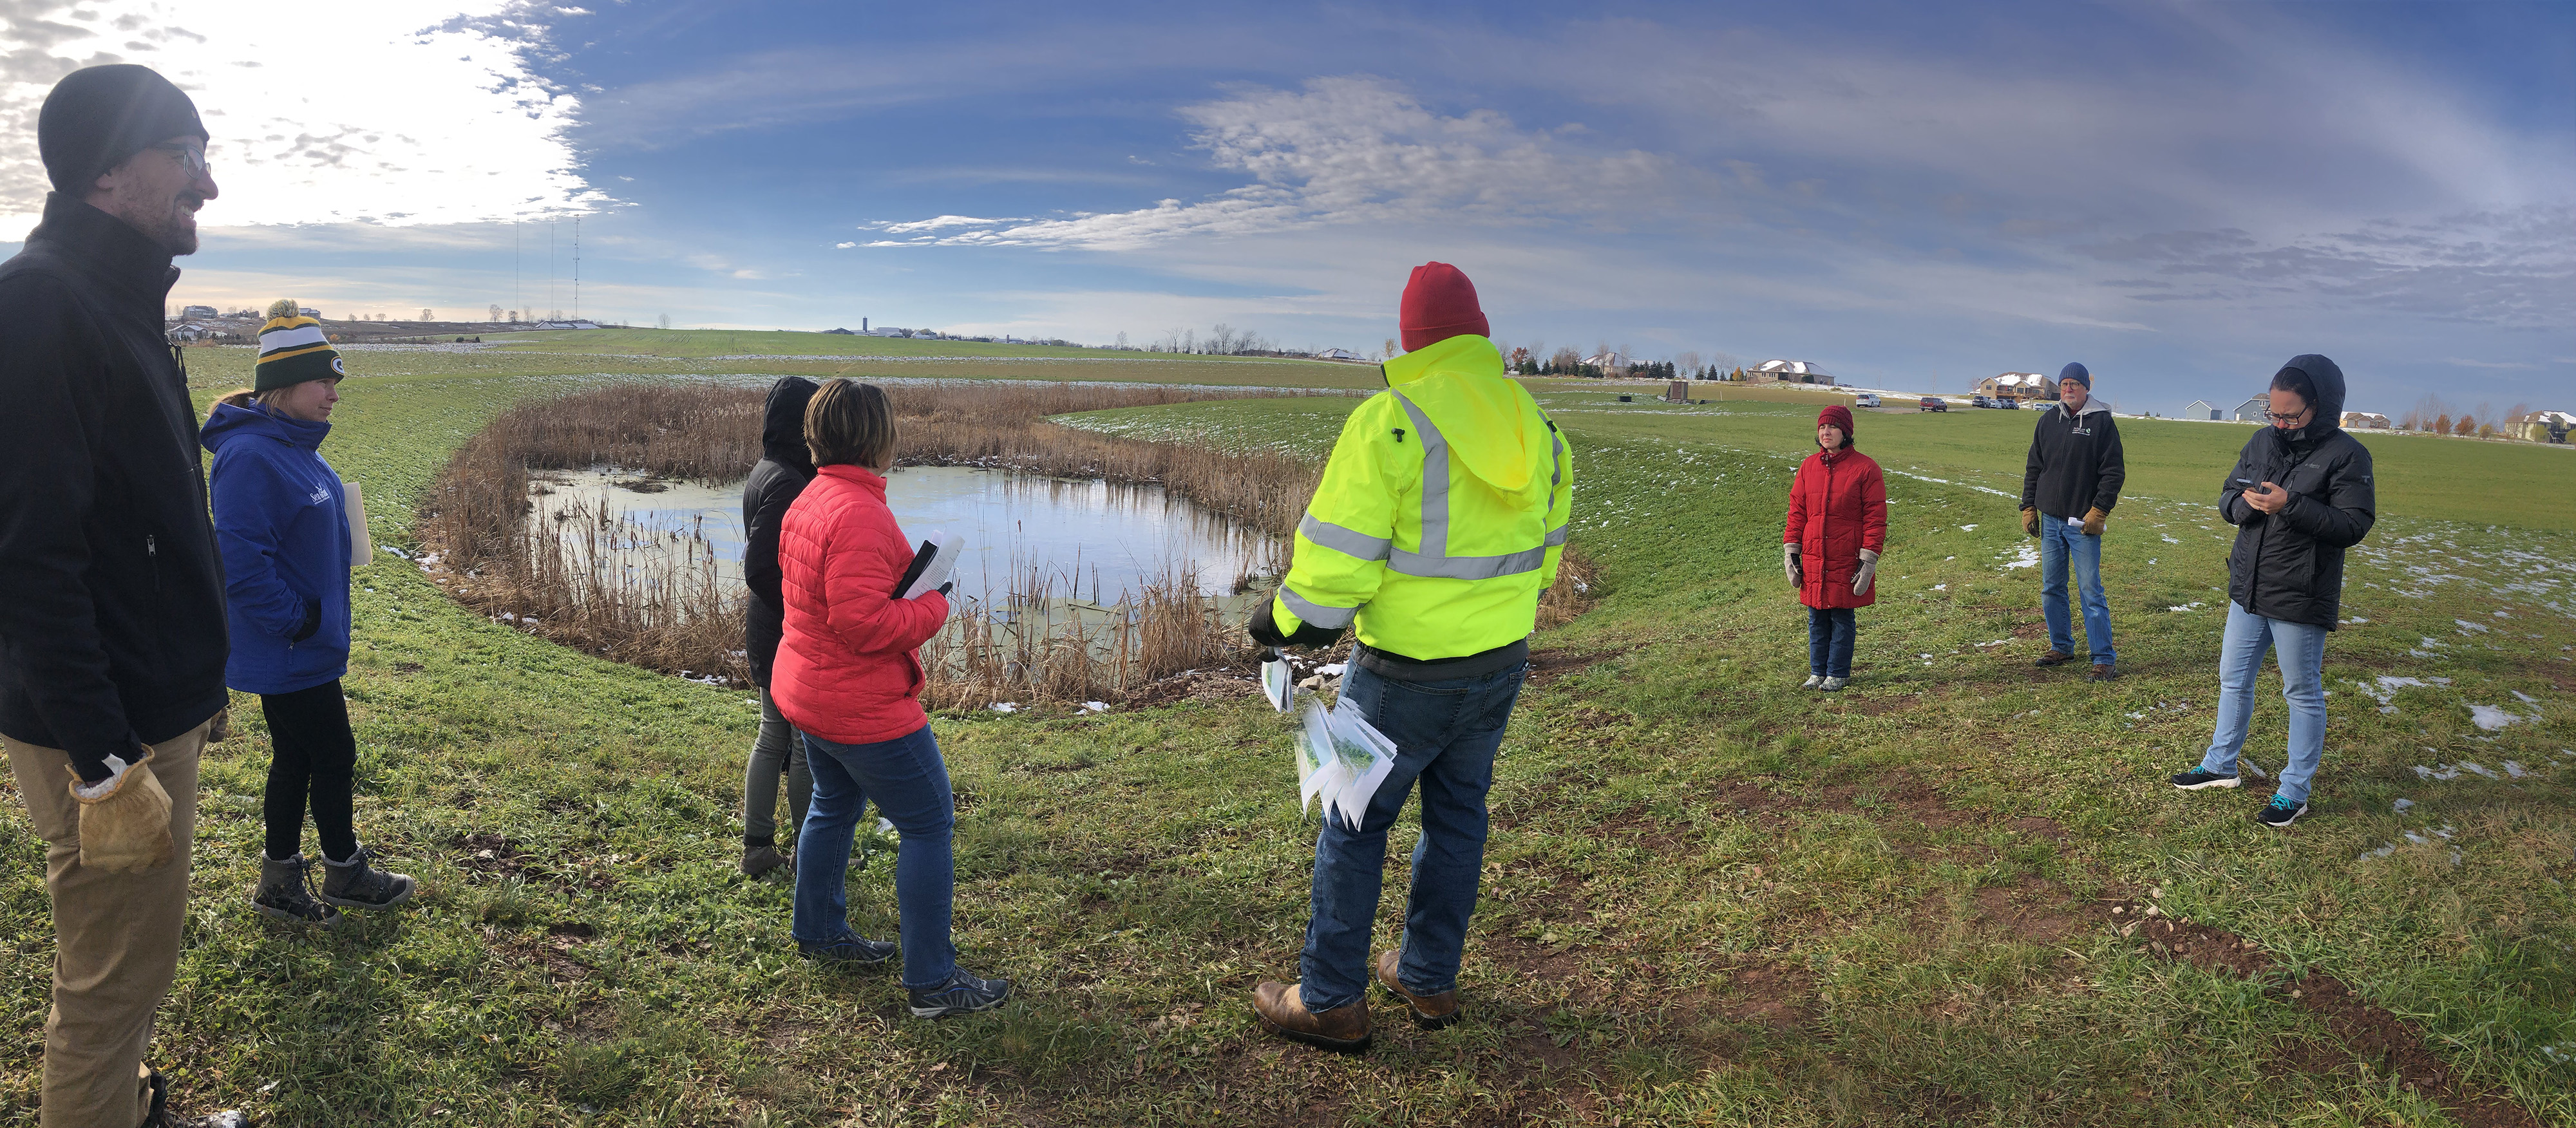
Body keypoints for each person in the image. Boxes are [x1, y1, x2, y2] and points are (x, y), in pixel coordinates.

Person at [0, 64, 248, 1128]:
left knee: (130, 961)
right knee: (109, 982)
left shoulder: (118, 298)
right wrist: (105, 765)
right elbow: (29, 558)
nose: (210, 182)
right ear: (108, 167)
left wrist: (200, 679)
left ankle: (129, 1104)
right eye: (187, 152)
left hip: (146, 704)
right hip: (104, 730)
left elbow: (138, 526)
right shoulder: (44, 305)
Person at [1245, 262, 1573, 1051]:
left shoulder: (1389, 421)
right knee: (1459, 818)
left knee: (1354, 826)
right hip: (1498, 663)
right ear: (1478, 332)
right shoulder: (1537, 424)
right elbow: (1547, 557)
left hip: (1401, 675)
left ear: (1410, 338)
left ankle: (1328, 999)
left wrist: (1282, 619)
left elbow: (1337, 563)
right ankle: (1427, 980)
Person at [771, 379, 1011, 1017]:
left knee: (832, 804)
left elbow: (829, 603)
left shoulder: (813, 497)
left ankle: (820, 933)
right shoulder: (857, 512)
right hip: (861, 707)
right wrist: (933, 603)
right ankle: (932, 983)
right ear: (879, 438)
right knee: (928, 824)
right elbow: (864, 625)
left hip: (812, 694)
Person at [204, 301, 416, 926]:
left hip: (308, 640)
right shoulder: (250, 455)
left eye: (336, 381)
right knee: (333, 754)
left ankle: (280, 882)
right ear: (284, 386)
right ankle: (344, 871)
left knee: (296, 758)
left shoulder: (297, 447)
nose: (334, 393)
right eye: (325, 381)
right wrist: (296, 621)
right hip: (290, 645)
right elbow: (240, 561)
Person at [2172, 355, 2375, 827]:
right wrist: (2241, 506)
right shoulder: (2262, 441)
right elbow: (2227, 496)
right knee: (2232, 679)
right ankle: (2220, 765)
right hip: (2249, 587)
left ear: (2319, 408)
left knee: (2301, 692)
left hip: (2300, 594)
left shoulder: (2348, 455)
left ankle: (2294, 791)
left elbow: (2353, 525)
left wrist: (2292, 505)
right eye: (2274, 413)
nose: (2280, 424)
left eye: (2290, 415)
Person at [739, 375, 821, 876]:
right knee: (797, 746)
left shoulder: (766, 469)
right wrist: (803, 609)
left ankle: (759, 847)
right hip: (784, 633)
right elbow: (760, 568)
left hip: (767, 629)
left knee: (774, 737)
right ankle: (802, 853)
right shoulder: (790, 480)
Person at [2018, 362, 2127, 681]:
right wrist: (2029, 507)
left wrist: (2100, 511)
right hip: (2050, 521)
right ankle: (2062, 646)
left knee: (2090, 589)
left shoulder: (2101, 423)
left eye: (2075, 385)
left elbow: (2113, 472)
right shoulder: (2048, 420)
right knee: (2052, 587)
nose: (2068, 389)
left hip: (2082, 523)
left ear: (2086, 389)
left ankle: (2104, 658)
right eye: (2064, 384)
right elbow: (2034, 467)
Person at [1783, 404, 1887, 691]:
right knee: (1816, 616)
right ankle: (1818, 671)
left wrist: (1868, 560)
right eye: (1822, 428)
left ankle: (1838, 672)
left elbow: (1876, 518)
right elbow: (1797, 511)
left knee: (1841, 615)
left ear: (1846, 432)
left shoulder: (1866, 469)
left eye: (1832, 427)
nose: (1826, 432)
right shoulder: (1808, 467)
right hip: (1815, 555)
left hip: (1847, 556)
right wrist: (1792, 551)